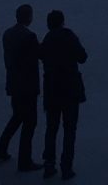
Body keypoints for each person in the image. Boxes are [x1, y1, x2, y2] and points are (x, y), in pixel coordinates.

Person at [0, 4, 42, 172]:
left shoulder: (8, 34)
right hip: (27, 85)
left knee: (17, 117)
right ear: (29, 17)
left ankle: (0, 149)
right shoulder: (29, 36)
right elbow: (39, 55)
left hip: (13, 83)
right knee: (29, 122)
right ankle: (24, 160)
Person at [40, 10, 88, 180]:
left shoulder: (47, 39)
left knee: (51, 129)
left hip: (52, 91)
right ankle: (66, 167)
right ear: (62, 22)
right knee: (69, 130)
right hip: (70, 91)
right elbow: (82, 57)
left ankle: (49, 164)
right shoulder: (69, 36)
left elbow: (40, 55)